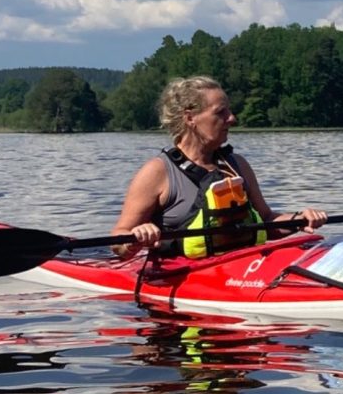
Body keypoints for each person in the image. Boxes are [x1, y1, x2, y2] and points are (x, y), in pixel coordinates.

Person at [111, 75, 326, 258]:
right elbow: (118, 241)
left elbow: (268, 221)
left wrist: (299, 219)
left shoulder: (236, 165)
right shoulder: (158, 172)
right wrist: (136, 236)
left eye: (229, 111)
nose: (232, 118)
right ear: (190, 118)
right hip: (181, 275)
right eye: (220, 112)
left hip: (240, 268)